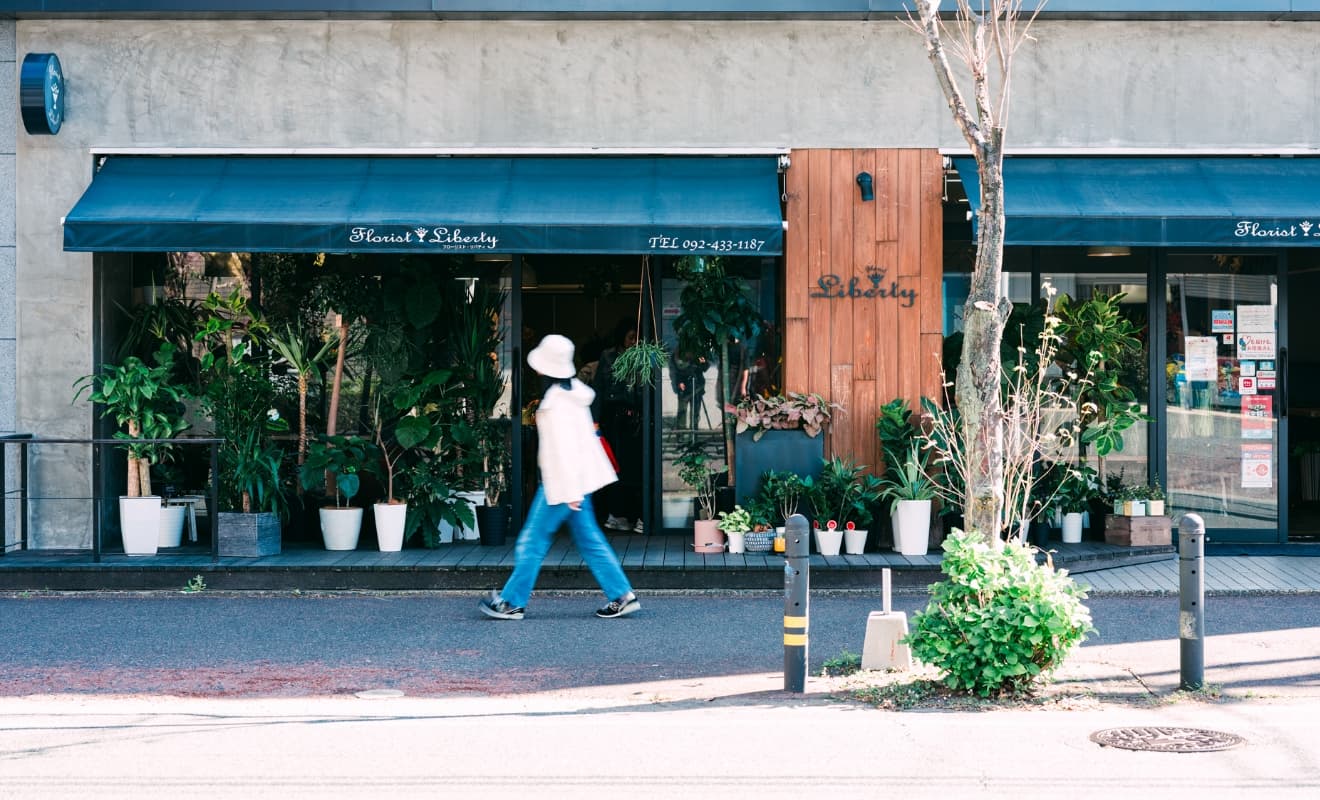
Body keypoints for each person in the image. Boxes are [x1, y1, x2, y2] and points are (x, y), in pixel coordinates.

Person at [479, 334, 640, 620]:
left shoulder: (557, 402)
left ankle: (511, 601)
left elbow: (564, 449)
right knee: (589, 540)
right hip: (573, 482)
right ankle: (622, 594)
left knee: (532, 540)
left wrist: (572, 492)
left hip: (562, 485)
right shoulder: (573, 393)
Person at [593, 320, 644, 533]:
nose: (633, 342)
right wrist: (594, 420)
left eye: (637, 338)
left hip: (636, 417)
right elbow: (599, 388)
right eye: (630, 337)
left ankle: (636, 516)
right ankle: (618, 515)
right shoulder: (608, 356)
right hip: (613, 418)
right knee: (615, 466)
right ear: (622, 337)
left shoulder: (642, 357)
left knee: (635, 467)